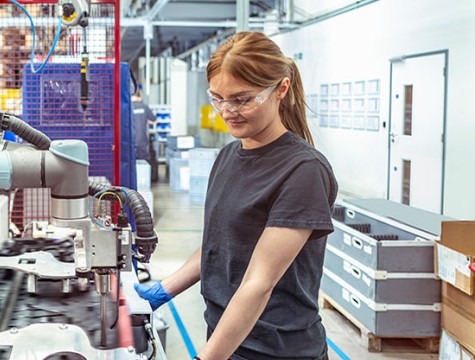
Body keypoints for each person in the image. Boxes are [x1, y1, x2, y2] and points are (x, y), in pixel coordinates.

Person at [134, 31, 338, 360]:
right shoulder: (227, 157)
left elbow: (259, 282)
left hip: (276, 350)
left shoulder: (303, 170)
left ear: (281, 89)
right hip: (227, 337)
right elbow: (220, 243)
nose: (227, 111)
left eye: (242, 99)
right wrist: (163, 289)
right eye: (217, 98)